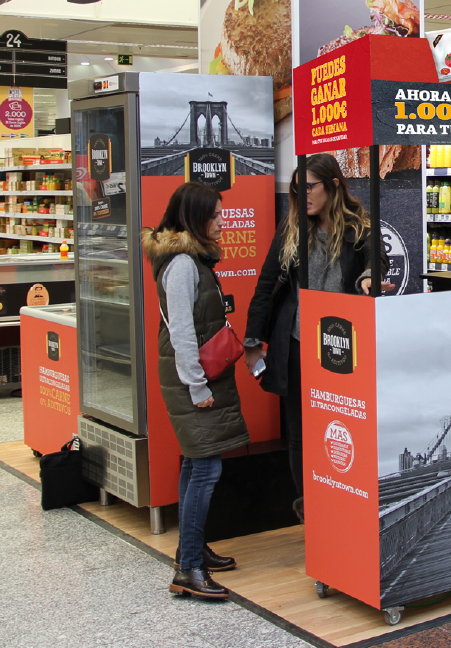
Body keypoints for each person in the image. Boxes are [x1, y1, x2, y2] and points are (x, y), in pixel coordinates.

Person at [244, 153, 379, 523]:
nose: (302, 195)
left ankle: (345, 510)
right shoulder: (292, 228)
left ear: (333, 185)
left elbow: (375, 260)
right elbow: (266, 284)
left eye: (310, 187)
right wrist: (252, 340)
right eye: (296, 189)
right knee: (300, 432)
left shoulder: (360, 227)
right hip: (298, 344)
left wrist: (369, 276)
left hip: (342, 348)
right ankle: (311, 512)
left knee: (346, 427)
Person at [144, 181, 248, 599]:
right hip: (192, 378)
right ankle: (188, 569)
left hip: (195, 375)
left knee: (194, 462)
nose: (222, 222)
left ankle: (191, 549)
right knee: (205, 469)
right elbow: (183, 332)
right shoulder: (184, 265)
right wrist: (197, 385)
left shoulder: (191, 259)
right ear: (195, 218)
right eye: (215, 215)